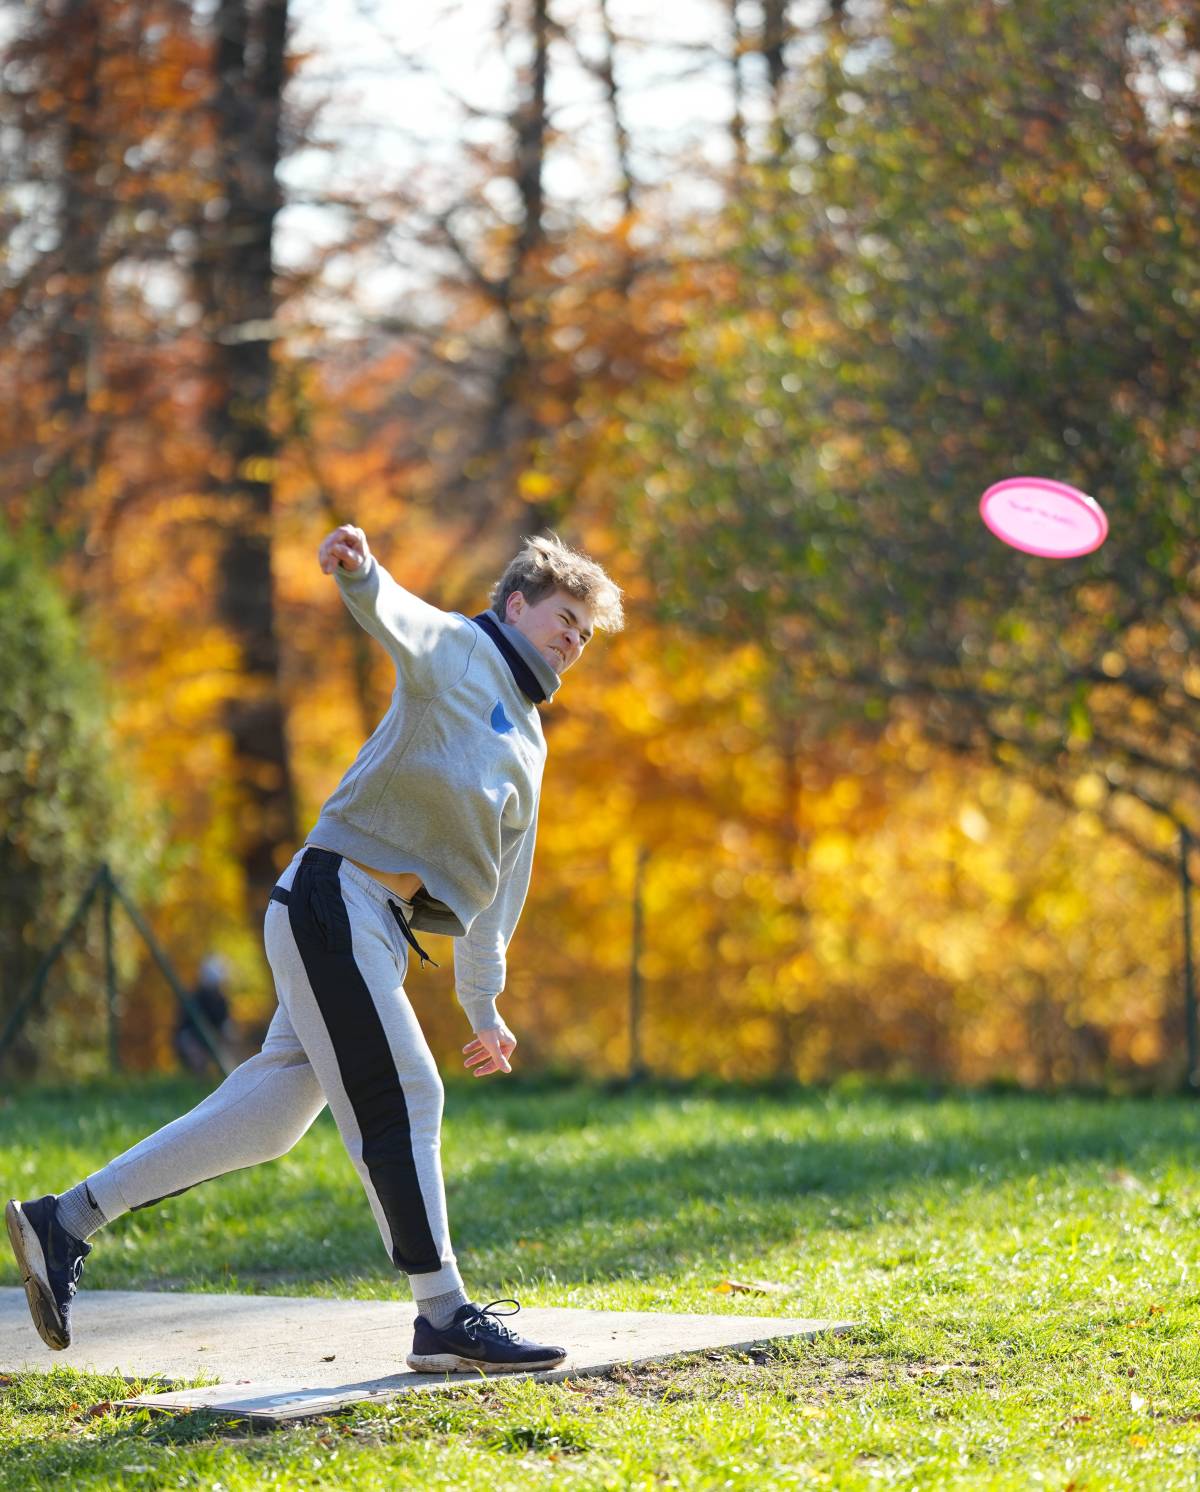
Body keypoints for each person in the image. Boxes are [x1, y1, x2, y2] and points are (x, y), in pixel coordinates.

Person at [6, 526, 624, 1374]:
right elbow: (404, 620)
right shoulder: (462, 651)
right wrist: (363, 575)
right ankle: (442, 1314)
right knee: (407, 1088)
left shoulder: (529, 736)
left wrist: (485, 1007)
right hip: (334, 897)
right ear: (516, 605)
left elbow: (499, 888)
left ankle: (62, 1221)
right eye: (564, 617)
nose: (574, 639)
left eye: (586, 633)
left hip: (375, 928)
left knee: (271, 1118)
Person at [174, 955, 233, 1075]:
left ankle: (228, 1072)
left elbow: (224, 1024)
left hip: (213, 1038)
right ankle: (199, 1076)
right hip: (192, 1037)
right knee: (193, 1047)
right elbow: (185, 1026)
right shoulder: (195, 998)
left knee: (230, 1039)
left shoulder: (222, 1001)